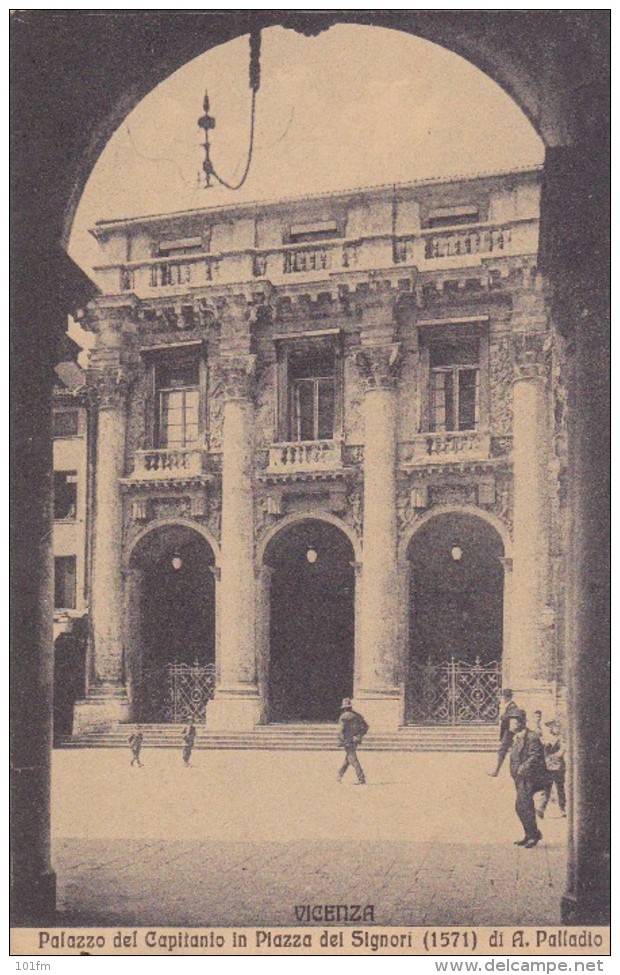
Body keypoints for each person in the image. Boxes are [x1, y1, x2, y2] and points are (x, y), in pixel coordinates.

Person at [509, 711, 549, 847]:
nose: (511, 724)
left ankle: (534, 835)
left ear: (521, 723)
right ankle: (530, 834)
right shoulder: (516, 736)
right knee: (522, 806)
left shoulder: (532, 737)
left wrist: (522, 767)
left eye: (513, 722)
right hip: (520, 778)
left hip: (529, 777)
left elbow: (535, 756)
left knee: (522, 806)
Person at [489, 689, 524, 776]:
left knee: (503, 751)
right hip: (507, 731)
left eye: (504, 696)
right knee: (515, 751)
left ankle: (496, 771)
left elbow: (512, 720)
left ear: (508, 697)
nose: (503, 698)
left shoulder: (512, 706)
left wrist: (503, 717)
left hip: (509, 732)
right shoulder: (507, 706)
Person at [538, 719, 567, 818]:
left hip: (559, 767)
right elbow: (543, 749)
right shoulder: (547, 738)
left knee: (560, 789)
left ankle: (562, 808)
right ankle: (541, 808)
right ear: (551, 728)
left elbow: (563, 749)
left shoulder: (561, 738)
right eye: (555, 727)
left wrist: (555, 756)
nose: (557, 729)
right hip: (548, 767)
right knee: (547, 788)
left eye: (558, 727)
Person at [336, 698, 368, 785]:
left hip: (347, 740)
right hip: (355, 740)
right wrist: (359, 735)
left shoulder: (343, 717)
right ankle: (339, 775)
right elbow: (366, 727)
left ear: (344, 708)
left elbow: (341, 730)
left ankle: (361, 778)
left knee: (353, 759)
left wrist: (340, 740)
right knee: (348, 758)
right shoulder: (358, 716)